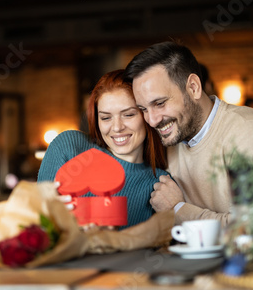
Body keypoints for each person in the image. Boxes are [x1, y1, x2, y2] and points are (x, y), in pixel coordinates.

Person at [124, 41, 253, 226]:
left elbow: (250, 230)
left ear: (193, 87)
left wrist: (177, 209)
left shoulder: (250, 133)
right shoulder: (172, 140)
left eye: (160, 103)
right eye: (143, 109)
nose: (152, 120)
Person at [37, 69, 168, 228]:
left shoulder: (159, 184)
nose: (117, 127)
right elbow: (32, 222)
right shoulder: (70, 147)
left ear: (146, 115)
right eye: (106, 118)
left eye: (128, 115)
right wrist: (48, 214)